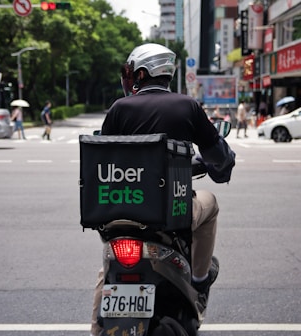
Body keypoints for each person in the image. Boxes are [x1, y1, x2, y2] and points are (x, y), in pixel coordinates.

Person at [90, 43, 236, 336]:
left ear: (142, 74)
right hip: (172, 211)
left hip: (122, 211)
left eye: (131, 73)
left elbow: (105, 159)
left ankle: (96, 328)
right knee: (211, 203)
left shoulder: (119, 109)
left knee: (109, 267)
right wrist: (218, 165)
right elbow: (218, 158)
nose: (128, 78)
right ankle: (199, 279)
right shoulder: (187, 106)